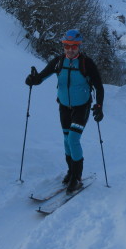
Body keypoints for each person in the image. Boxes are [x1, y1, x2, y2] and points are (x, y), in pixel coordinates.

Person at [25, 29, 104, 194]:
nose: (70, 49)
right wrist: (32, 80)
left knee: (74, 139)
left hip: (81, 106)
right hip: (64, 107)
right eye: (67, 46)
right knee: (67, 140)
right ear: (63, 46)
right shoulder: (58, 62)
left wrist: (99, 106)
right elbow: (40, 78)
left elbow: (98, 85)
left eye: (74, 46)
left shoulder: (86, 63)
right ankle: (71, 171)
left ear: (79, 46)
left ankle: (77, 177)